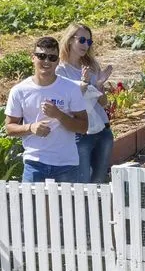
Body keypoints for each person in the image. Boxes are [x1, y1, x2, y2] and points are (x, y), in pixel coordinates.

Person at [4, 37, 88, 183]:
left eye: (52, 57)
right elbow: (9, 128)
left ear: (58, 61)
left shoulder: (71, 88)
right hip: (34, 162)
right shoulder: (19, 90)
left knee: (65, 200)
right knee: (31, 200)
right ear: (33, 58)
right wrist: (31, 128)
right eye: (41, 56)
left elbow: (83, 127)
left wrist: (59, 115)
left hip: (66, 164)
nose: (46, 61)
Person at [56, 23, 114, 183]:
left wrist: (99, 85)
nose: (85, 45)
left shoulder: (92, 66)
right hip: (81, 133)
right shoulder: (61, 70)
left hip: (103, 129)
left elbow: (103, 103)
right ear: (69, 40)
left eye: (89, 41)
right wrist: (83, 83)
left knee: (100, 182)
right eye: (81, 40)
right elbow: (66, 103)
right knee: (83, 185)